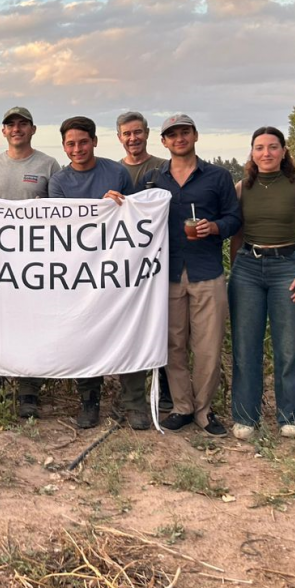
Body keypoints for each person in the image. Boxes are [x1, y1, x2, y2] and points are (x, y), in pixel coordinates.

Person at [135, 114, 241, 437]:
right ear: (163, 142)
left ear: (195, 136)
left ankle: (204, 410)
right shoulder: (153, 180)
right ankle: (182, 406)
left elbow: (235, 219)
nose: (179, 139)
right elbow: (134, 216)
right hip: (165, 275)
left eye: (184, 133)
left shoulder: (219, 177)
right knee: (172, 344)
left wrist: (216, 227)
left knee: (208, 345)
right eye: (172, 135)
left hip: (207, 272)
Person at [48, 116, 150, 430]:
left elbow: (134, 217)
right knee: (83, 335)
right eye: (70, 143)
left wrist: (114, 206)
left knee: (126, 331)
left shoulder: (116, 172)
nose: (77, 148)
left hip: (115, 269)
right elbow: (60, 229)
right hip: (76, 272)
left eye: (82, 142)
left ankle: (133, 402)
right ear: (64, 147)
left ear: (94, 141)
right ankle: (89, 401)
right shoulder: (59, 182)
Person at [228, 127, 295, 440]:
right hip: (248, 270)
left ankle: (291, 416)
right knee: (245, 347)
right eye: (260, 148)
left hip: (288, 267)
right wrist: (236, 269)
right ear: (252, 153)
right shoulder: (242, 187)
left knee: (289, 347)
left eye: (273, 147)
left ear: (283, 151)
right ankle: (245, 417)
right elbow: (236, 237)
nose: (266, 153)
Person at [0, 106, 62, 418]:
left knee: (30, 325)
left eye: (22, 124)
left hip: (34, 262)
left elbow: (63, 212)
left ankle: (28, 392)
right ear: (3, 131)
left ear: (33, 130)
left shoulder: (49, 165)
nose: (16, 129)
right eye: (10, 125)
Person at [116, 110, 173, 415]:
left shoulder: (163, 168)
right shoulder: (115, 172)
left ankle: (165, 390)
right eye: (127, 134)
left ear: (148, 134)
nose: (133, 138)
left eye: (137, 132)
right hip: (125, 268)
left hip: (158, 263)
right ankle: (132, 396)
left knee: (163, 326)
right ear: (119, 138)